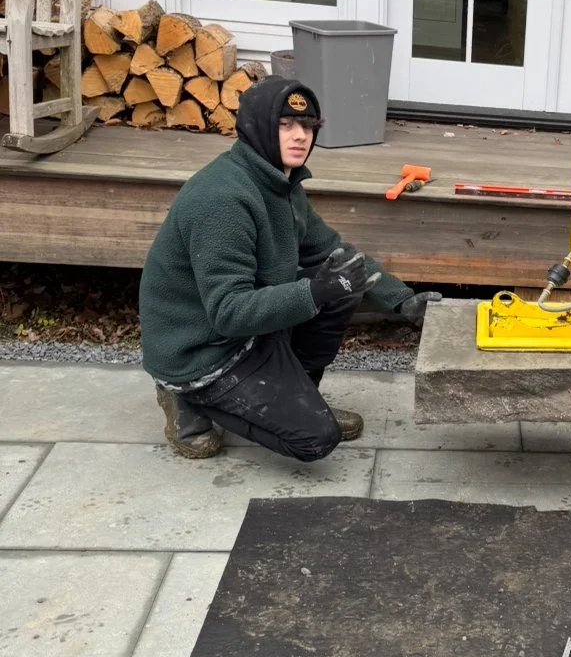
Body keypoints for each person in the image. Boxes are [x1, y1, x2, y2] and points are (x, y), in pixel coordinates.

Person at [139, 76, 440, 462]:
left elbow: (334, 253)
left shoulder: (281, 183)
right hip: (201, 350)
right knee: (314, 439)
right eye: (285, 125)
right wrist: (313, 292)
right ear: (257, 128)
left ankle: (298, 395)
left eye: (307, 126)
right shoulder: (222, 200)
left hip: (248, 332)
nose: (300, 136)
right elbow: (228, 312)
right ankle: (186, 396)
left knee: (340, 285)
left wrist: (403, 302)